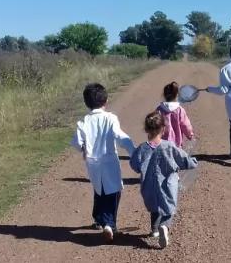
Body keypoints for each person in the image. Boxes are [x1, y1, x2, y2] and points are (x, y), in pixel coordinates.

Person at [72, 83, 136, 242]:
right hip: (109, 162)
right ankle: (109, 224)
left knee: (99, 189)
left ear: (86, 102)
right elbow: (121, 137)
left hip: (93, 164)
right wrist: (134, 152)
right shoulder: (110, 118)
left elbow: (76, 143)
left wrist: (84, 149)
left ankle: (98, 218)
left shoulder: (83, 122)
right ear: (106, 101)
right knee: (113, 192)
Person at [129, 111, 198, 249]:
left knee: (154, 206)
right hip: (168, 184)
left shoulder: (142, 148)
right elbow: (184, 160)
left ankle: (154, 230)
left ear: (146, 129)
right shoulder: (169, 146)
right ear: (163, 128)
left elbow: (134, 165)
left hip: (148, 185)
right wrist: (193, 162)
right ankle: (164, 227)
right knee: (169, 208)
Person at [156, 81, 194, 148]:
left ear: (164, 95)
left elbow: (155, 126)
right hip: (177, 145)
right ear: (177, 95)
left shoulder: (159, 110)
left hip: (162, 145)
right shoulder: (179, 110)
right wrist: (190, 135)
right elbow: (185, 125)